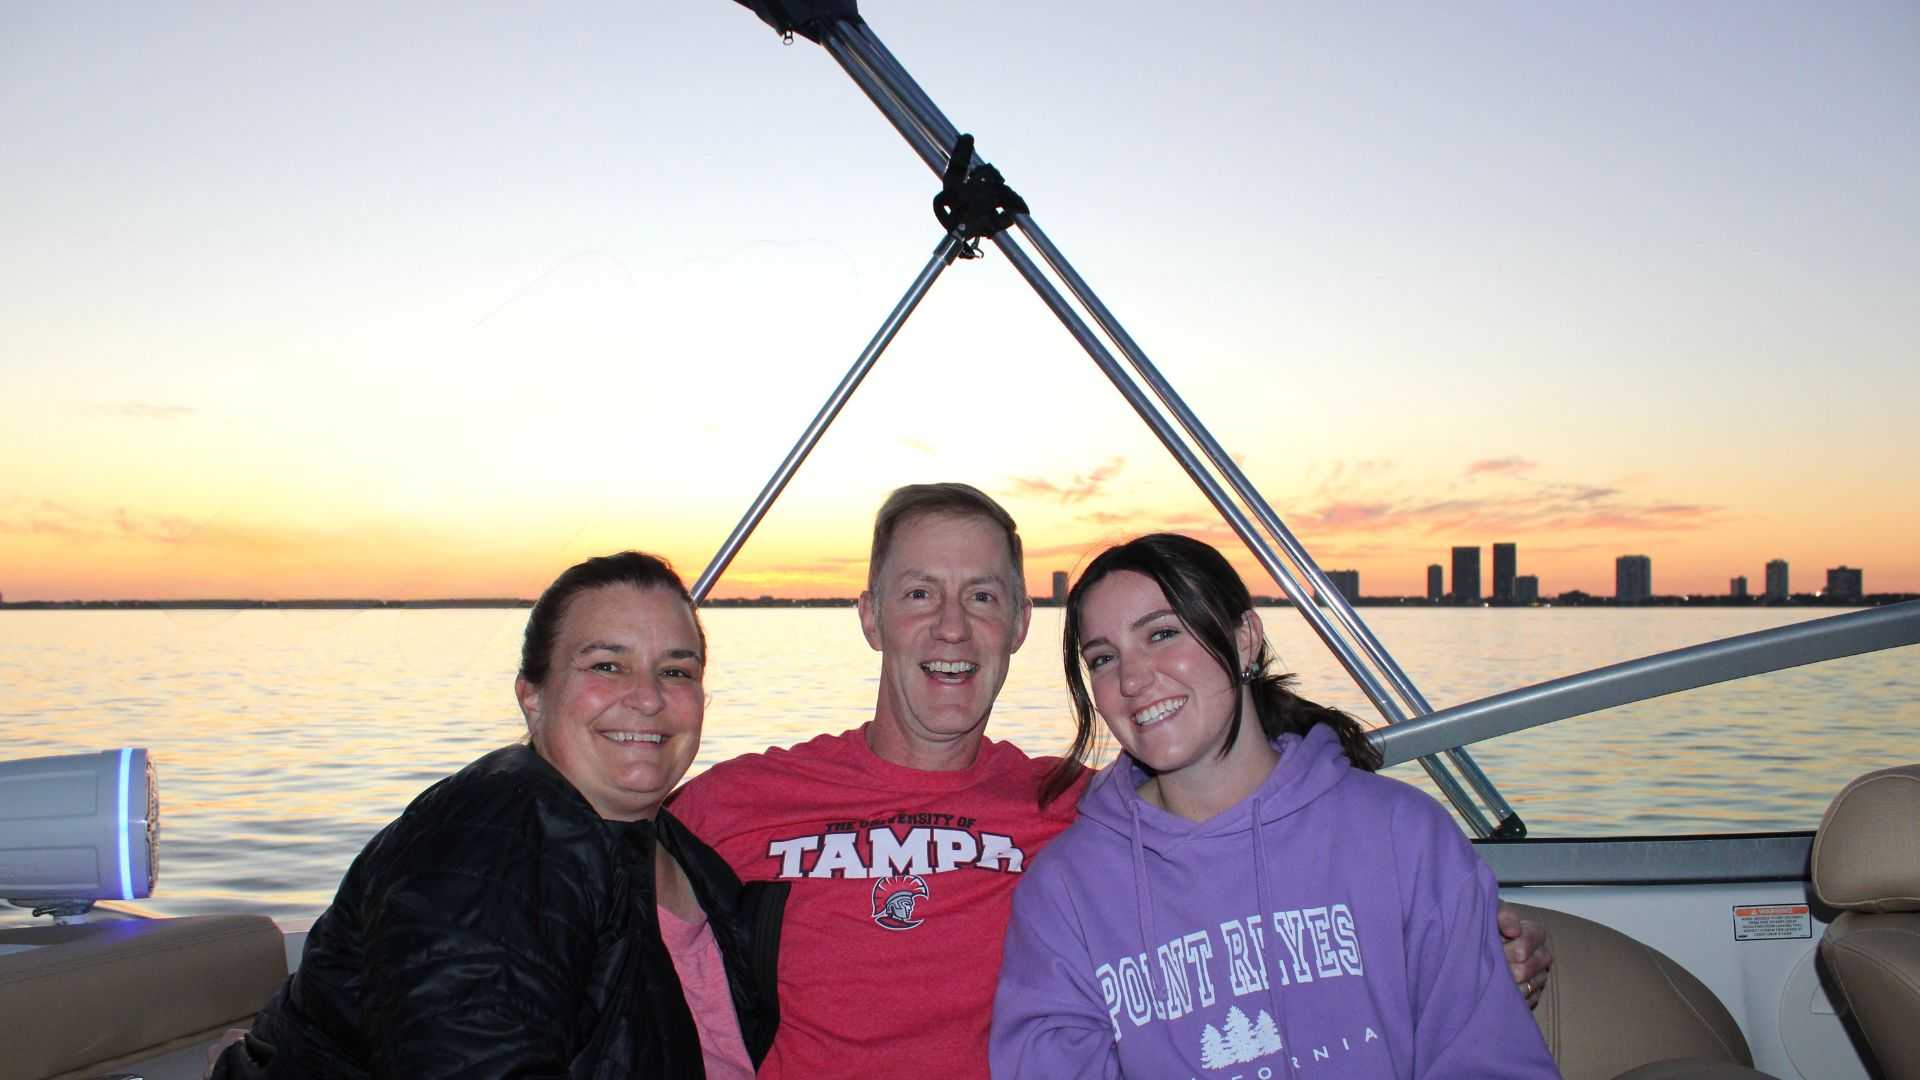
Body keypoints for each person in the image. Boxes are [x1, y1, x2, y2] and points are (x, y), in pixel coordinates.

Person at [670, 484, 1551, 1079]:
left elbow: (1236, 835)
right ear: (870, 617)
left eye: (982, 597)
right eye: (917, 595)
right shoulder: (735, 801)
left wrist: (1468, 938)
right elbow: (583, 884)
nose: (950, 627)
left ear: (1018, 622)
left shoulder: (1076, 813)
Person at [991, 533, 1559, 1078]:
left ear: (1245, 640)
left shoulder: (1402, 836)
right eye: (1103, 659)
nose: (1133, 678)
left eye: (1162, 634)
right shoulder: (1066, 892)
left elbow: (1486, 1060)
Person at [212, 552, 785, 1079]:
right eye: (607, 665)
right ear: (533, 696)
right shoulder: (495, 838)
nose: (648, 697)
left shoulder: (676, 854)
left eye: (676, 671)